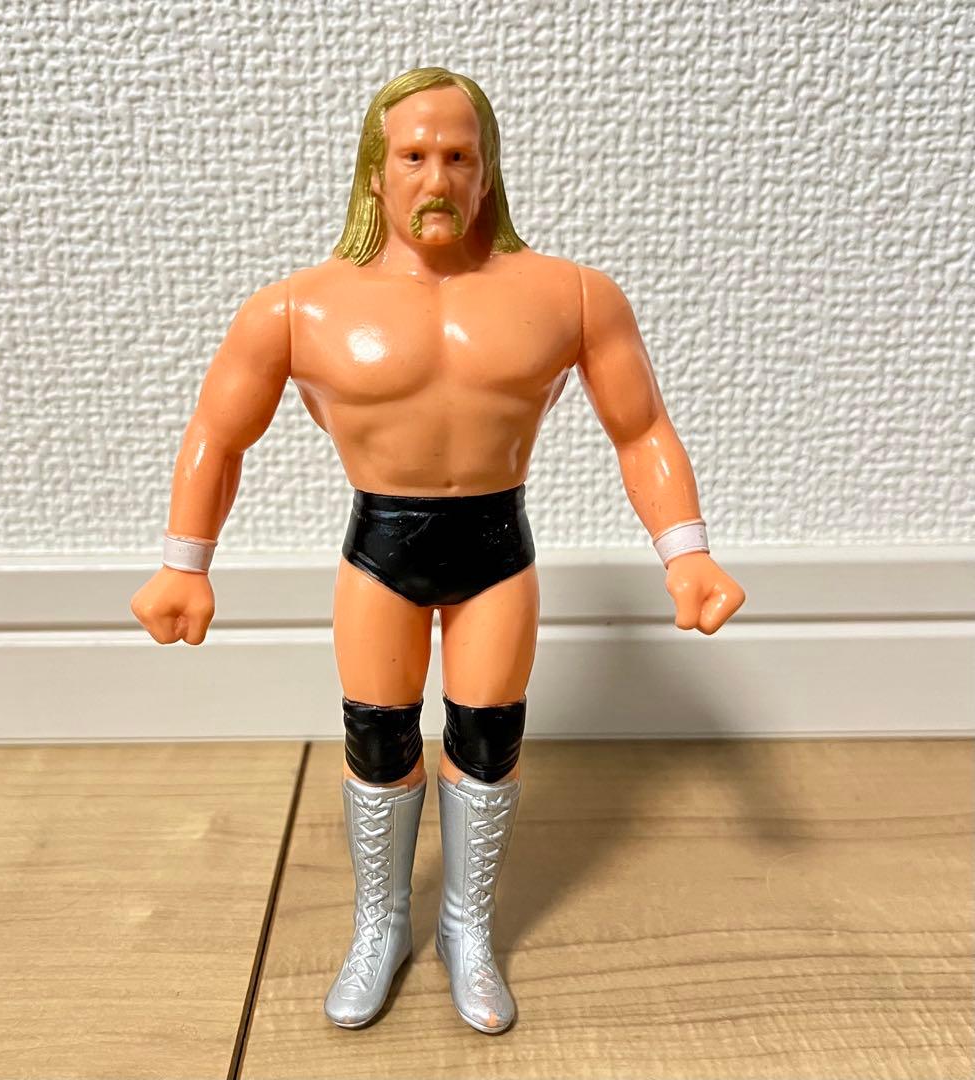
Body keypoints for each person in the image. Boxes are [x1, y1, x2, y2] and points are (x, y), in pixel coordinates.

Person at [130, 67, 746, 1035]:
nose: (436, 177)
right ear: (375, 171)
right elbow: (218, 431)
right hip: (381, 545)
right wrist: (184, 562)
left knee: (487, 741)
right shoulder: (299, 309)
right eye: (413, 155)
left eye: (458, 156)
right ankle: (379, 925)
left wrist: (687, 552)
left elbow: (641, 430)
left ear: (487, 170)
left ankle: (467, 926)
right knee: (377, 740)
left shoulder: (570, 296)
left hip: (496, 545)